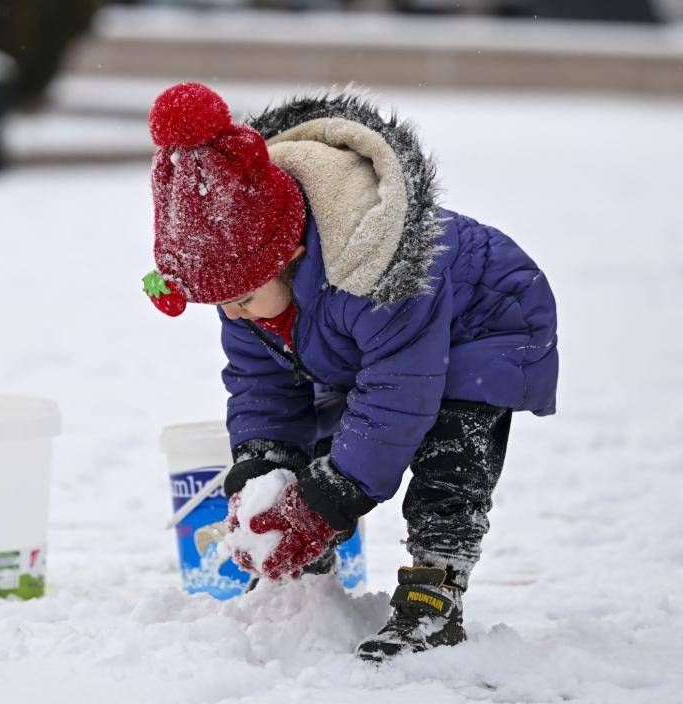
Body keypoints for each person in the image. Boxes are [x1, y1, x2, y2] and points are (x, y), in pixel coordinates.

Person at [141, 82, 558, 662]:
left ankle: (434, 594)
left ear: (287, 257)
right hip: (371, 346)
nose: (231, 314)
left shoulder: (376, 270)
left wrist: (328, 499)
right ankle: (303, 578)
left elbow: (395, 399)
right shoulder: (246, 287)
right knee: (316, 436)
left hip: (487, 325)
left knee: (449, 460)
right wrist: (263, 470)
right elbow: (262, 387)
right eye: (221, 304)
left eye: (240, 299)